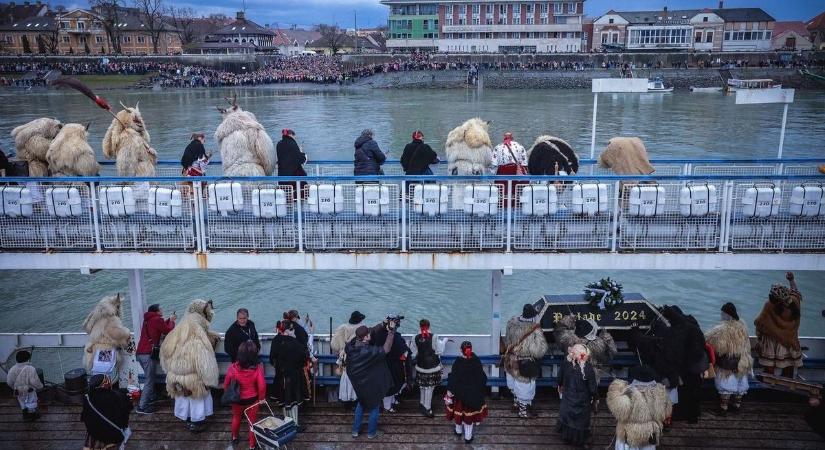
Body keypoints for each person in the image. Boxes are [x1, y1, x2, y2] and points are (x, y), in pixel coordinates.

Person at [160, 299, 220, 433]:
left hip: (175, 376)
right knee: (197, 399)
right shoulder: (198, 338)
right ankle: (197, 422)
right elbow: (205, 364)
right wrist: (210, 380)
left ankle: (186, 418)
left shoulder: (178, 330)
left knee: (183, 398)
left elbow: (164, 355)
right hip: (193, 379)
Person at [346, 320, 397, 439]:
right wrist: (391, 332)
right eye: (368, 334)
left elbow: (370, 331)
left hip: (358, 383)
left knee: (361, 403)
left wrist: (382, 324)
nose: (370, 334)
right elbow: (386, 349)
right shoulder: (368, 352)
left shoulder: (351, 346)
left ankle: (355, 431)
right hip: (369, 384)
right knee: (375, 405)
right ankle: (371, 433)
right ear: (365, 338)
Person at [606, 365, 671, 450]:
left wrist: (616, 388)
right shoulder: (660, 393)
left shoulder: (628, 394)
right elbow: (665, 413)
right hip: (649, 434)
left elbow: (619, 412)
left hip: (630, 434)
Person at [705, 302, 753, 416]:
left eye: (722, 313)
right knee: (741, 383)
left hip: (728, 364)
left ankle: (723, 409)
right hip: (743, 362)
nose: (721, 315)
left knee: (725, 385)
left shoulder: (723, 330)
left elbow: (719, 348)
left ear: (726, 314)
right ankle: (736, 406)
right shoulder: (743, 327)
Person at [662, 305, 707, 424]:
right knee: (695, 390)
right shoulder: (692, 322)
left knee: (686, 390)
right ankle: (694, 415)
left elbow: (678, 349)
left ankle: (684, 415)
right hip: (698, 362)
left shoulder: (681, 328)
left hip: (688, 365)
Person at [503, 304, 548, 418]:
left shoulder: (511, 323)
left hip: (510, 360)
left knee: (514, 384)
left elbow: (507, 342)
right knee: (524, 387)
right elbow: (539, 351)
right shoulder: (534, 330)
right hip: (524, 364)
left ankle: (516, 403)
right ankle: (523, 411)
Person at [754, 272, 803, 377]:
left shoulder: (770, 305)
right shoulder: (794, 302)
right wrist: (791, 280)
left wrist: (759, 336)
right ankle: (788, 381)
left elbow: (759, 322)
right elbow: (795, 291)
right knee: (789, 366)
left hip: (772, 343)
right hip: (790, 342)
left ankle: (769, 379)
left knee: (769, 368)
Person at [135, 303, 176, 414]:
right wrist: (172, 321)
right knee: (149, 380)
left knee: (149, 377)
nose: (162, 310)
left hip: (140, 353)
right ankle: (142, 407)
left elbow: (159, 326)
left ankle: (152, 398)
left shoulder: (148, 320)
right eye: (161, 309)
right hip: (147, 354)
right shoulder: (157, 319)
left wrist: (168, 320)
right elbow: (168, 330)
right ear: (157, 311)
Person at [269, 320, 311, 429]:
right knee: (294, 402)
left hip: (280, 376)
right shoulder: (295, 343)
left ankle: (286, 422)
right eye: (292, 329)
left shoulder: (276, 340)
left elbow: (272, 359)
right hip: (294, 377)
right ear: (287, 331)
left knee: (284, 400)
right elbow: (304, 359)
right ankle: (294, 424)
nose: (294, 331)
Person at [225, 340, 266, 448]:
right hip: (252, 400)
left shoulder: (232, 368)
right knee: (252, 422)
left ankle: (234, 437)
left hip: (237, 399)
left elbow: (226, 384)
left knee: (236, 417)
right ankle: (252, 445)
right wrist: (261, 398)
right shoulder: (257, 368)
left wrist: (228, 395)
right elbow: (262, 386)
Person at [445, 341, 488, 444]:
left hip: (459, 396)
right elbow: (482, 378)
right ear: (471, 349)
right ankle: (468, 437)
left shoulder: (458, 362)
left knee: (458, 414)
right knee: (469, 417)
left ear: (461, 350)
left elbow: (453, 378)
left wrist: (450, 392)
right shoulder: (476, 360)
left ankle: (458, 431)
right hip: (473, 396)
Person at [556, 344, 598, 449]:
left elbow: (559, 378)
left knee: (567, 418)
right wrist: (596, 398)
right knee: (580, 422)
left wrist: (560, 385)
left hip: (568, 398)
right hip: (583, 401)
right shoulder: (588, 368)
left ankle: (567, 438)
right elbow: (593, 388)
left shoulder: (566, 364)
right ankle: (579, 441)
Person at [555, 316, 617, 384]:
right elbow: (611, 352)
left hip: (571, 376)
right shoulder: (598, 344)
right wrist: (607, 338)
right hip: (591, 378)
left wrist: (569, 319)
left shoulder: (568, 340)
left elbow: (560, 329)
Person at [371, 314, 410, 413]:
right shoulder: (395, 337)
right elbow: (403, 352)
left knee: (390, 385)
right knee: (391, 386)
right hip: (392, 366)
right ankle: (387, 407)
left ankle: (391, 401)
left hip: (382, 365)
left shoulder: (378, 334)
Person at [81, 374, 132, 450]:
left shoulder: (87, 397)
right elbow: (125, 416)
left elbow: (83, 417)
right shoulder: (115, 396)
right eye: (107, 381)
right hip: (112, 434)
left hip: (94, 432)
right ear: (104, 385)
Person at [331, 311, 366, 407]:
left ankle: (346, 400)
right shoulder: (361, 328)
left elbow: (334, 345)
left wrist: (341, 350)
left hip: (345, 357)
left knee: (346, 379)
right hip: (357, 357)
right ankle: (355, 401)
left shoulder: (342, 328)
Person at [413, 319, 443, 418]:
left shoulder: (415, 337)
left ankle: (422, 403)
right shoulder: (434, 337)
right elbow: (439, 350)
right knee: (430, 388)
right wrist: (445, 340)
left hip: (420, 366)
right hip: (432, 367)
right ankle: (427, 408)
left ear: (420, 326)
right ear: (429, 326)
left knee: (422, 386)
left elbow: (414, 352)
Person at [6, 350, 43, 421]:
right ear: (27, 359)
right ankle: (32, 415)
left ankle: (25, 415)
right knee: (31, 401)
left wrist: (14, 388)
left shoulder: (12, 369)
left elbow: (9, 382)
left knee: (22, 402)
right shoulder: (31, 368)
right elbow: (34, 381)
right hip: (29, 390)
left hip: (18, 390)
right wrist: (40, 386)